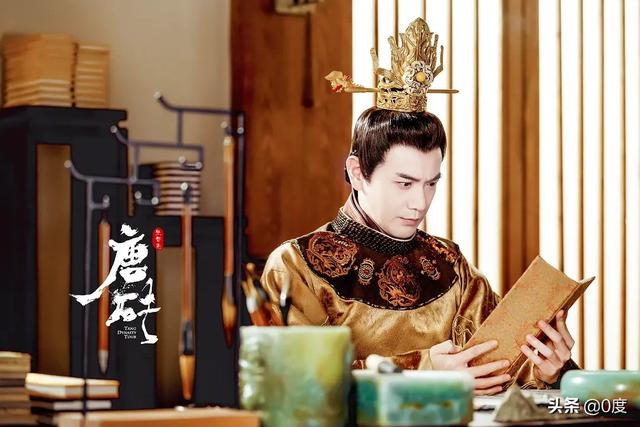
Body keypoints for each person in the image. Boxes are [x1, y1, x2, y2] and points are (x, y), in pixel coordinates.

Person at [260, 18, 577, 395]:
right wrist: (423, 372)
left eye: (431, 183)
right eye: (404, 183)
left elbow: (498, 368)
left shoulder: (450, 266)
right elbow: (293, 385)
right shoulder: (296, 267)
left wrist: (548, 369)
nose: (420, 202)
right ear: (358, 172)